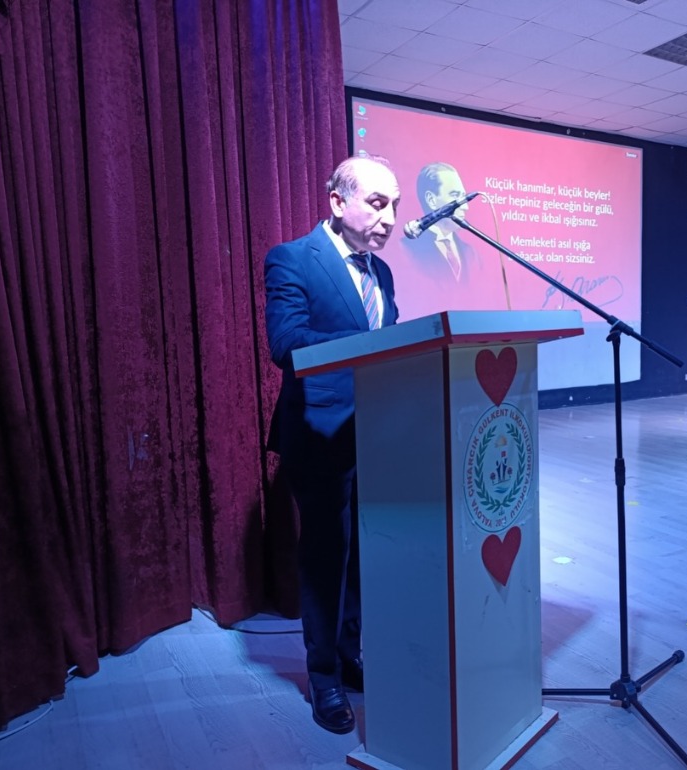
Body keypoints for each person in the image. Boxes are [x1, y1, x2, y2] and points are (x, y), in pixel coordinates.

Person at [264, 154, 400, 734]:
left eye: (395, 206)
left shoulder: (382, 273)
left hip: (378, 434)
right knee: (326, 559)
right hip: (319, 435)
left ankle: (349, 656)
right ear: (338, 202)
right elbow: (286, 343)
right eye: (377, 203)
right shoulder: (292, 258)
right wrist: (374, 345)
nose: (390, 218)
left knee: (363, 555)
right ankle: (323, 679)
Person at [402, 161, 485, 296]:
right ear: (431, 200)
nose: (465, 206)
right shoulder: (405, 252)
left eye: (464, 197)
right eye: (455, 195)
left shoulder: (472, 255)